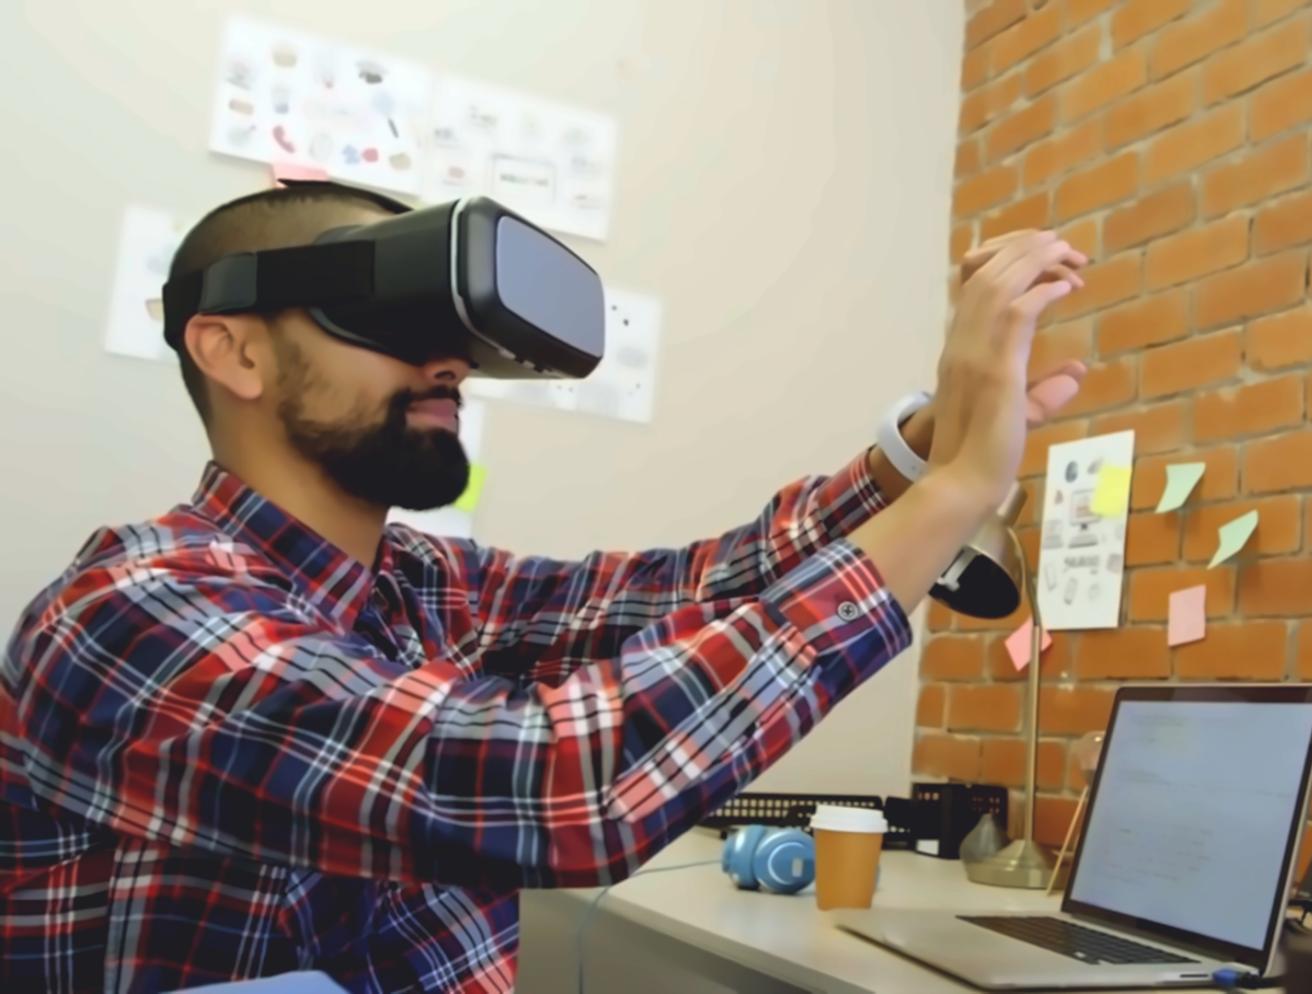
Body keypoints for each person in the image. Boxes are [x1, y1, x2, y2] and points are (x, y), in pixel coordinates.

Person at [0, 182, 1089, 992]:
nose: (450, 366)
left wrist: (928, 439)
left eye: (453, 338)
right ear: (231, 352)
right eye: (392, 326)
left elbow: (705, 584)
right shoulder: (127, 610)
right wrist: (955, 493)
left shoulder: (425, 586)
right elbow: (559, 780)